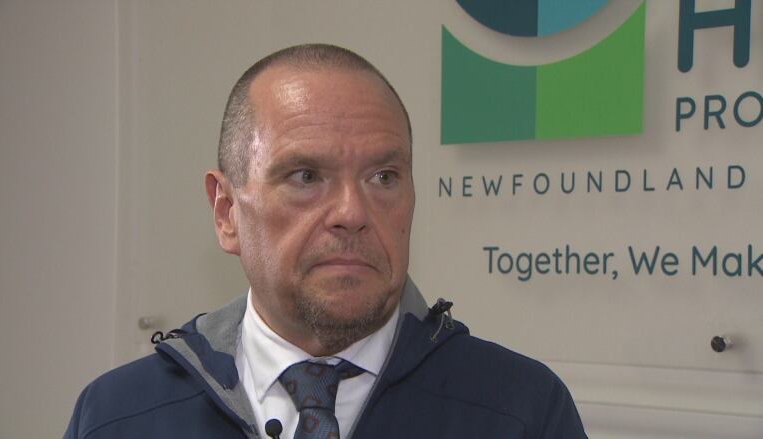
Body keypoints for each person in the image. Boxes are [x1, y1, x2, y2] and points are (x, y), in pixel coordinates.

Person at [65, 44, 586, 439]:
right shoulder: (117, 417)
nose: (353, 214)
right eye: (305, 176)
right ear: (226, 212)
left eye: (383, 177)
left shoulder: (521, 411)